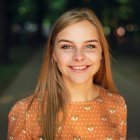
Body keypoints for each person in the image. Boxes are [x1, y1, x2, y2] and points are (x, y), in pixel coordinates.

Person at [8, 8, 127, 140]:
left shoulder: (117, 105)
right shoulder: (25, 112)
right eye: (67, 46)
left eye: (89, 46)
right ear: (54, 54)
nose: (78, 56)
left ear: (101, 53)